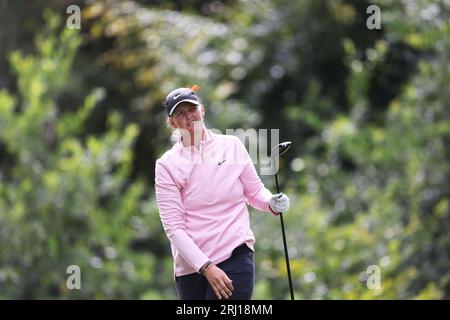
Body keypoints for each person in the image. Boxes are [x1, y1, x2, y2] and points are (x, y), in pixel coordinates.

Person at [154, 87, 290, 300]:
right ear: (172, 123)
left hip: (234, 253)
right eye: (181, 113)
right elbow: (174, 228)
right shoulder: (167, 165)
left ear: (203, 110)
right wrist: (206, 267)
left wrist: (271, 202)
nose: (189, 115)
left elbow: (254, 192)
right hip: (191, 268)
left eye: (192, 108)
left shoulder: (232, 146)